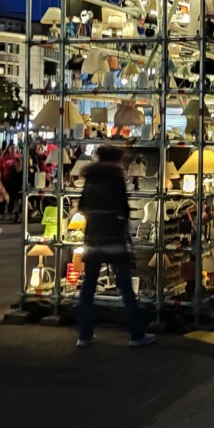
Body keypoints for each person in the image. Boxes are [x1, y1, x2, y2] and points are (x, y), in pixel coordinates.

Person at [76, 145, 155, 348]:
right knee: (126, 287)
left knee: (88, 287)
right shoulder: (115, 177)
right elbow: (123, 209)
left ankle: (84, 334)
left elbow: (82, 206)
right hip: (114, 240)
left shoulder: (91, 178)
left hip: (93, 239)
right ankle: (136, 334)